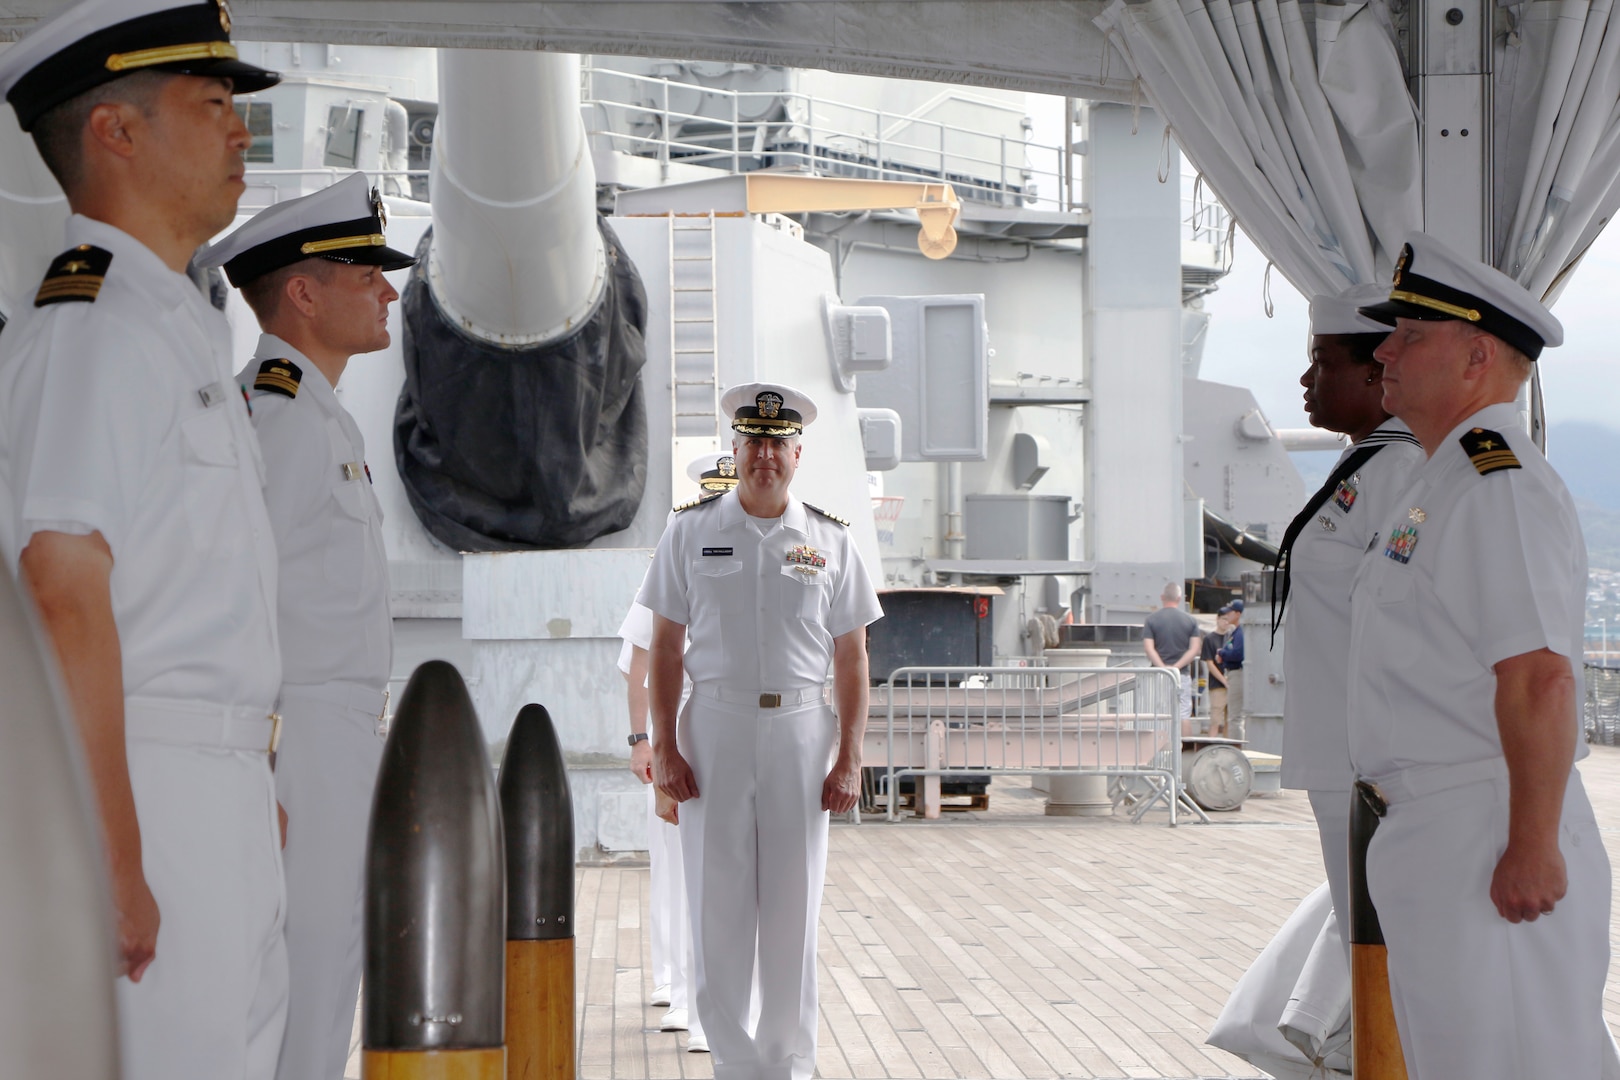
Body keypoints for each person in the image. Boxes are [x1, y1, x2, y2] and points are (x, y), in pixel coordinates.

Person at [0, 4, 285, 1078]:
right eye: (212, 105)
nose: (239, 132)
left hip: (213, 788)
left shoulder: (173, 325)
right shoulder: (96, 326)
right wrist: (110, 853)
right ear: (115, 133)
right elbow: (61, 584)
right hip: (145, 786)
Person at [1348, 233, 1611, 1076]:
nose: (1383, 349)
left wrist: (1531, 843)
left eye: (1408, 334)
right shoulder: (1442, 482)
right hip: (1445, 827)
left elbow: (1538, 676)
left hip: (1488, 826)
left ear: (1476, 356)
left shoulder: (1496, 485)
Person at [197, 173, 415, 1080]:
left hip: (333, 740)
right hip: (301, 745)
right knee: (304, 989)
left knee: (326, 983)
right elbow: (239, 603)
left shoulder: (321, 417)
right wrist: (264, 772)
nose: (390, 291)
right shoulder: (280, 418)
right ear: (302, 292)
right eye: (368, 272)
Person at [639, 383, 883, 1080]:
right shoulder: (689, 532)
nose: (765, 456)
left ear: (797, 455)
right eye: (754, 442)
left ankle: (787, 1064)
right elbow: (663, 648)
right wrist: (664, 747)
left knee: (792, 908)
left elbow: (853, 657)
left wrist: (850, 757)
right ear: (735, 450)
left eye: (779, 444)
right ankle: (734, 1065)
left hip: (803, 732)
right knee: (716, 907)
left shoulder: (831, 539)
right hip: (712, 725)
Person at [1272, 284, 1423, 948]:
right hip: (1340, 750)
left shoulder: (1406, 470)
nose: (1307, 379)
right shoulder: (1362, 464)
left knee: (1386, 945)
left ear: (1375, 372)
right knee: (1369, 941)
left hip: (1375, 763)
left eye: (1323, 361)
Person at [617, 451, 737, 1055]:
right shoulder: (673, 557)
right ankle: (681, 990)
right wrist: (642, 740)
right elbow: (640, 663)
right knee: (677, 871)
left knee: (726, 876)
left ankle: (713, 999)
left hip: (731, 730)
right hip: (677, 734)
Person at [1142, 582, 1199, 726]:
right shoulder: (1191, 620)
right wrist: (1175, 668)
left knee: (1157, 713)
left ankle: (1159, 747)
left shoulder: (1151, 620)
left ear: (1162, 597)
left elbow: (1149, 648)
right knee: (1183, 715)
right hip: (1182, 675)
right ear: (1179, 599)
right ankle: (1184, 748)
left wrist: (1163, 668)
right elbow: (1194, 649)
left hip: (1157, 674)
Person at [1200, 607, 1231, 736]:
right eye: (1224, 619)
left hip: (1232, 682)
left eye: (1229, 620)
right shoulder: (1209, 639)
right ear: (1217, 619)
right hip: (1217, 684)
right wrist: (1224, 680)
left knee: (1230, 719)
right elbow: (1209, 663)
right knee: (1215, 719)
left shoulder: (1233, 637)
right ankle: (1212, 748)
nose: (1226, 623)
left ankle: (1229, 747)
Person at [1217, 599, 1245, 737]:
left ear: (1238, 614)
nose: (1227, 615)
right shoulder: (1236, 632)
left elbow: (1238, 654)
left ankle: (1238, 750)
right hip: (1235, 673)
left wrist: (1222, 653)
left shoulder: (1240, 633)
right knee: (1236, 716)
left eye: (1230, 612)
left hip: (1238, 674)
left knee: (1235, 717)